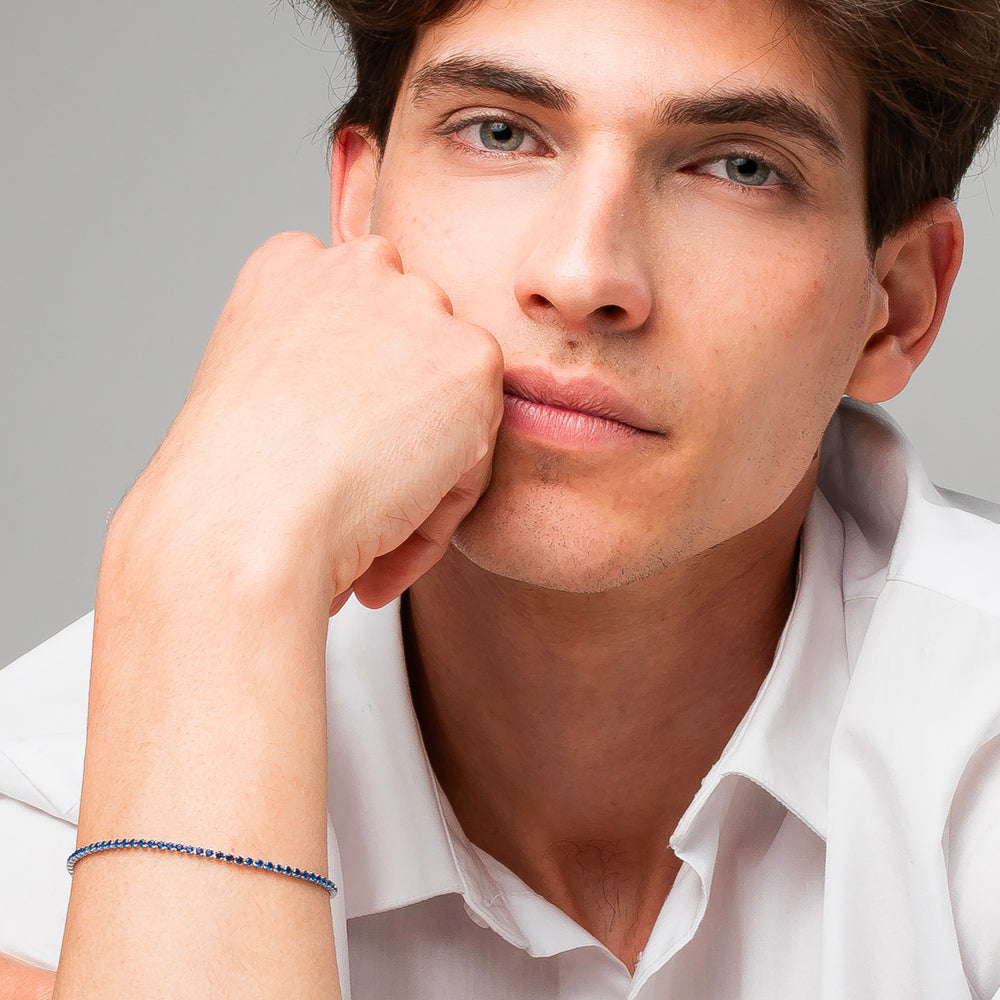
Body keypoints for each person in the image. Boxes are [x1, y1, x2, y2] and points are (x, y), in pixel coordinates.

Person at [1, 0, 999, 996]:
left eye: (739, 166)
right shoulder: (50, 786)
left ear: (897, 303)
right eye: (500, 132)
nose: (580, 276)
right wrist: (209, 566)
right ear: (361, 209)